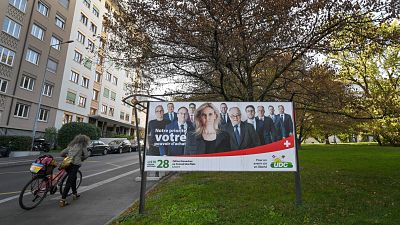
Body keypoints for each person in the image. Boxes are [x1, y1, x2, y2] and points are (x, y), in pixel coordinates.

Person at [59, 134, 90, 207]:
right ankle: (62, 200)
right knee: (69, 181)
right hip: (75, 165)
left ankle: (74, 194)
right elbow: (86, 155)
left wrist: (68, 157)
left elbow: (61, 153)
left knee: (73, 178)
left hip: (67, 164)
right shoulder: (83, 146)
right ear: (84, 141)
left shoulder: (71, 145)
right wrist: (82, 158)